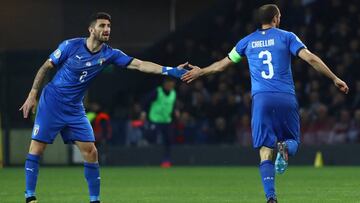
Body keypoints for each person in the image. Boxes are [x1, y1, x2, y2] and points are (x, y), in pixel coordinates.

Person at [181, 4, 348, 203]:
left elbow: (221, 66)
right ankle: (285, 146)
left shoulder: (246, 42)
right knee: (293, 140)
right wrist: (334, 78)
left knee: (265, 149)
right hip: (285, 96)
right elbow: (310, 59)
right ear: (276, 18)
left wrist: (201, 72)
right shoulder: (287, 37)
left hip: (261, 99)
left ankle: (271, 197)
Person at [19, 12, 187, 203]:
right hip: (52, 103)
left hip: (74, 108)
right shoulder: (70, 45)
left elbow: (140, 65)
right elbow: (45, 67)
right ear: (91, 30)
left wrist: (171, 70)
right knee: (37, 149)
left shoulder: (110, 54)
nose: (106, 29)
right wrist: (33, 94)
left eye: (108, 26)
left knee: (91, 152)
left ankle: (95, 200)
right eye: (102, 26)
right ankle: (30, 197)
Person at [143, 78, 178, 167]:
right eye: (169, 83)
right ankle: (148, 158)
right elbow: (145, 101)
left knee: (169, 140)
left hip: (167, 120)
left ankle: (166, 160)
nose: (170, 86)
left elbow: (172, 105)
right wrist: (143, 112)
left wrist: (176, 112)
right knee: (151, 137)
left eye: (172, 84)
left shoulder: (173, 93)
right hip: (155, 120)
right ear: (164, 84)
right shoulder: (157, 91)